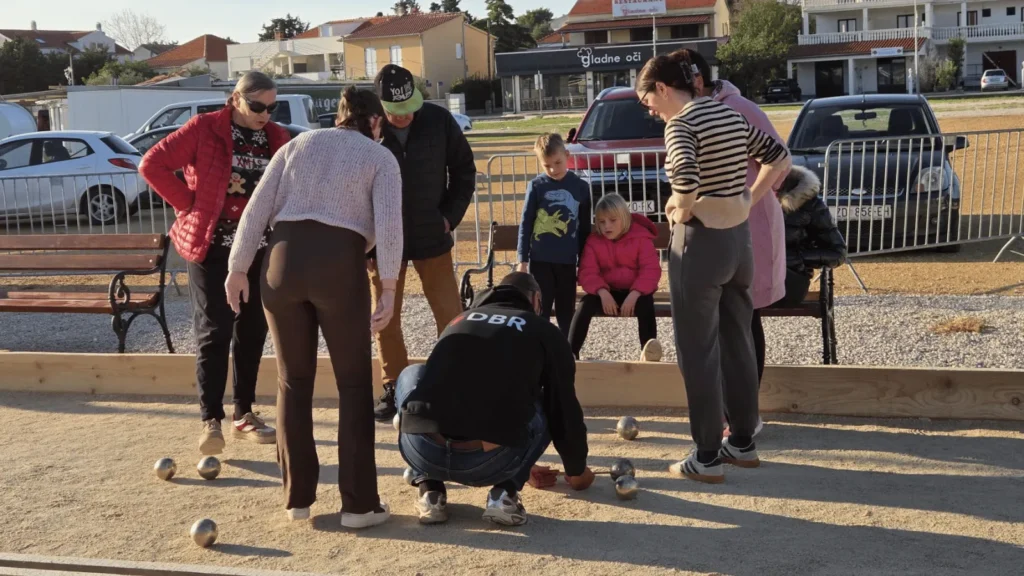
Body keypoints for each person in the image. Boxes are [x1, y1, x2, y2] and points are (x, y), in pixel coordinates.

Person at [224, 87, 402, 528]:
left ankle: (297, 499)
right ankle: (359, 506)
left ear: (339, 116)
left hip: (281, 262)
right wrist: (389, 288)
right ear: (375, 122)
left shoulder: (297, 144)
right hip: (338, 264)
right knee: (354, 384)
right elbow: (389, 226)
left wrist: (237, 268)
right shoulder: (380, 157)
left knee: (292, 381)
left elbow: (255, 210)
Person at [636, 50, 791, 483]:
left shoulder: (680, 125)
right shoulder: (729, 114)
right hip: (740, 242)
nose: (650, 110)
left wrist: (678, 208)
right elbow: (779, 157)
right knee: (738, 341)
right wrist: (747, 199)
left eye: (648, 100)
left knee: (698, 351)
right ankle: (742, 442)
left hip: (700, 243)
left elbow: (685, 179)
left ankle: (705, 455)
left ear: (663, 88)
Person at [139, 71, 288, 455]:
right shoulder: (204, 128)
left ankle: (244, 413)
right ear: (235, 99)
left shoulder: (276, 138)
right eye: (257, 106)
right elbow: (152, 164)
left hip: (257, 247)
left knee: (252, 329)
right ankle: (211, 420)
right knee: (214, 329)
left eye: (272, 107)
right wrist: (188, 204)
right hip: (210, 246)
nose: (265, 114)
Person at [395, 272, 596, 526]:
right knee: (547, 398)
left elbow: (451, 390)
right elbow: (563, 409)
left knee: (413, 374)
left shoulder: (458, 320)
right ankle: (504, 495)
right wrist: (576, 471)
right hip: (487, 462)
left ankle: (430, 491)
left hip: (422, 451)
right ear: (536, 300)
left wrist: (525, 464)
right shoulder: (544, 330)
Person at [673, 49, 789, 438]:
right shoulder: (697, 114)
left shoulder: (738, 109)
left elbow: (780, 160)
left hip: (746, 227)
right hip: (721, 228)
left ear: (696, 81)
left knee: (743, 321)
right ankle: (733, 418)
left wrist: (748, 199)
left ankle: (744, 419)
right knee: (728, 323)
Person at [369, 63, 477, 423]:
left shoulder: (438, 120)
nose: (406, 116)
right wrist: (366, 242)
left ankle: (454, 381)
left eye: (410, 106)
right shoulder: (367, 127)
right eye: (397, 111)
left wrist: (450, 216)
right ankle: (394, 387)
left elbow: (464, 170)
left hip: (433, 234)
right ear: (381, 105)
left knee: (449, 313)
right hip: (384, 240)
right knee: (386, 319)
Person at [570, 193, 662, 361]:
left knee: (646, 303)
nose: (607, 226)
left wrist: (635, 293)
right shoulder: (594, 241)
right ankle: (571, 352)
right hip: (606, 293)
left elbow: (650, 270)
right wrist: (602, 292)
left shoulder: (641, 238)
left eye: (613, 220)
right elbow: (587, 271)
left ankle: (649, 351)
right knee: (585, 304)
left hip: (635, 294)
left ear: (624, 218)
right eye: (601, 222)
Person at [516, 133, 592, 337]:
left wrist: (584, 262)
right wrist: (522, 259)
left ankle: (568, 350)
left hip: (567, 261)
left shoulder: (581, 187)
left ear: (567, 155)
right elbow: (526, 223)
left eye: (557, 163)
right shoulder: (536, 186)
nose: (553, 170)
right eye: (546, 165)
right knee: (540, 311)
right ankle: (541, 349)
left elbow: (585, 229)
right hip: (540, 261)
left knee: (566, 313)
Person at [775, 165, 847, 306]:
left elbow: (838, 252)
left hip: (789, 279)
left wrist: (794, 258)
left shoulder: (809, 203)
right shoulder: (745, 196)